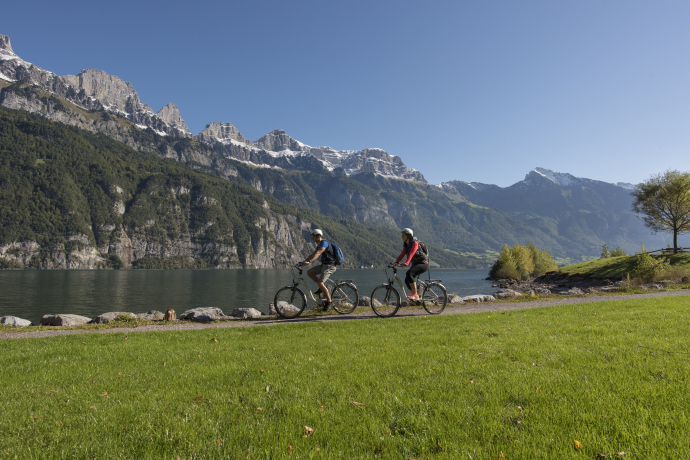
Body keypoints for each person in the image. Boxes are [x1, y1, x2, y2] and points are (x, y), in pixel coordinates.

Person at [299, 229, 337, 311]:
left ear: (318, 236)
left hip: (330, 266)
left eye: (313, 237)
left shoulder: (324, 243)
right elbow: (312, 254)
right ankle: (322, 288)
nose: (312, 238)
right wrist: (303, 262)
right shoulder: (319, 245)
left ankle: (329, 302)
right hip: (324, 265)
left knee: (320, 282)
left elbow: (318, 253)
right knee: (309, 272)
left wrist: (309, 261)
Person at [391, 228, 428, 300]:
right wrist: (395, 263)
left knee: (409, 273)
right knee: (406, 280)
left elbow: (412, 253)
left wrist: (407, 262)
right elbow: (402, 255)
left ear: (409, 236)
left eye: (403, 235)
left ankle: (415, 295)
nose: (402, 237)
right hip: (416, 264)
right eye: (402, 235)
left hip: (423, 263)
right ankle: (417, 295)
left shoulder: (415, 243)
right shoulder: (406, 245)